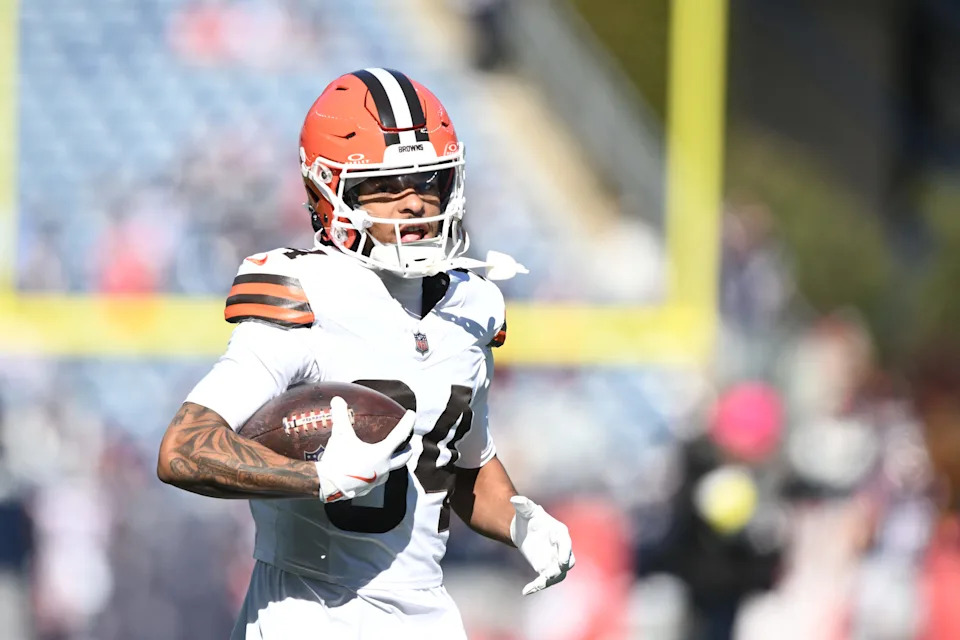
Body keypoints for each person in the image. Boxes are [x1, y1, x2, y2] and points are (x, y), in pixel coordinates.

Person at [156, 67, 575, 639]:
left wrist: (522, 522)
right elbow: (184, 449)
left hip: (425, 615)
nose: (415, 204)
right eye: (385, 186)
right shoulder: (305, 292)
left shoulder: (471, 306)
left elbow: (463, 465)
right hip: (307, 611)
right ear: (328, 191)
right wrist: (316, 476)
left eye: (428, 180)